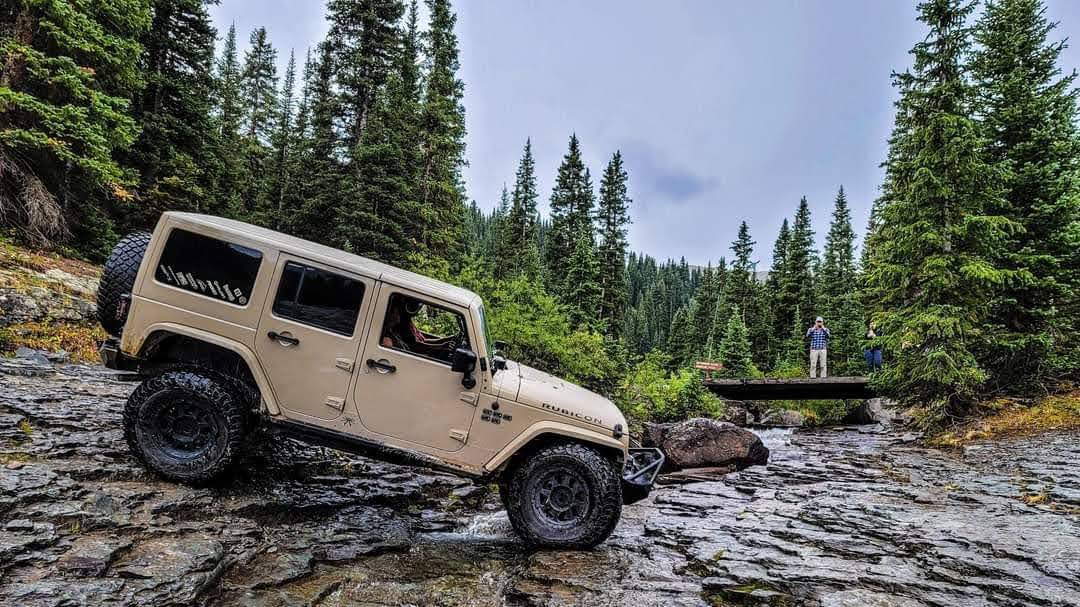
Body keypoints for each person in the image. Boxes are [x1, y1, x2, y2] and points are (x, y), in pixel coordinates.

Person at [381, 297, 457, 360]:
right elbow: (415, 346)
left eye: (399, 313)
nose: (398, 318)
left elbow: (423, 340)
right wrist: (441, 346)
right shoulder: (389, 337)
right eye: (396, 313)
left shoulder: (395, 332)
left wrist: (444, 341)